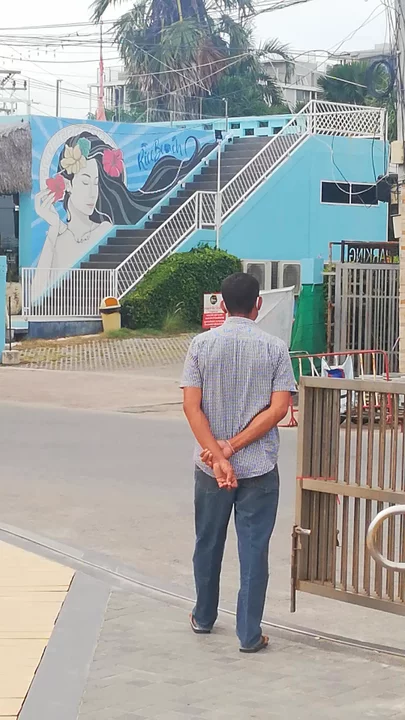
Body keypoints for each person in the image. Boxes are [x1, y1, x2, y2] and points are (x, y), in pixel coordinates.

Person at [182, 272, 295, 653]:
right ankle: (248, 634)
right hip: (259, 468)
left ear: (222, 303)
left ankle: (203, 616)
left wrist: (217, 455)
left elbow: (191, 407)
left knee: (207, 542)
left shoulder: (201, 345)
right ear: (258, 304)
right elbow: (279, 409)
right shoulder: (275, 348)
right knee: (254, 550)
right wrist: (231, 448)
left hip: (209, 469)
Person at [33, 131, 215, 297]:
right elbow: (36, 299)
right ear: (68, 185)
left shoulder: (103, 230)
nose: (92, 193)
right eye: (85, 182)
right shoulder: (57, 237)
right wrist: (53, 228)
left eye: (96, 183)